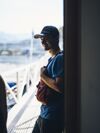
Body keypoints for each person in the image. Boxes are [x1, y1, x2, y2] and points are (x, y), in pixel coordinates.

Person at [32, 26, 64, 133]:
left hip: (52, 116)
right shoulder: (53, 58)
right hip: (45, 112)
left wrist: (42, 76)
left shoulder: (59, 58)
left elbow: (59, 87)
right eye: (41, 38)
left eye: (46, 38)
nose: (43, 41)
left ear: (56, 38)